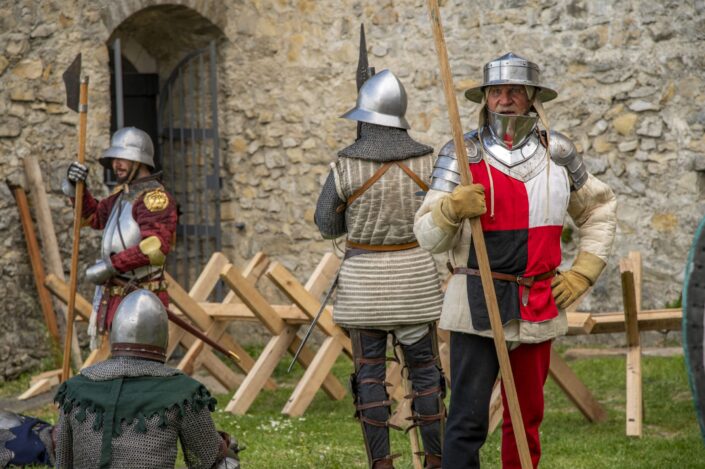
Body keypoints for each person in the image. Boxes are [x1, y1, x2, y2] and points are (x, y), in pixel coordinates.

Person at [413, 53, 617, 468]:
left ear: (532, 98)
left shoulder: (557, 152)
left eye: (515, 92)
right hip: (476, 300)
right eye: (496, 92)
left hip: (536, 301)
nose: (505, 100)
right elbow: (427, 237)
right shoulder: (462, 154)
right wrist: (450, 208)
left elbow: (599, 209)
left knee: (526, 419)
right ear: (485, 100)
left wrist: (584, 271)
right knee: (467, 420)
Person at [315, 68, 446, 469]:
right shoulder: (430, 162)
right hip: (415, 282)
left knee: (370, 377)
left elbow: (327, 226)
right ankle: (437, 460)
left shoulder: (345, 167)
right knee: (425, 375)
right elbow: (444, 216)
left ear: (365, 117)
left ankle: (382, 464)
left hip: (364, 286)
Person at [53, 289, 240, 469]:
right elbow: (208, 461)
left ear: (116, 333)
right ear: (162, 338)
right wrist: (227, 448)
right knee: (226, 463)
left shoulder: (74, 390)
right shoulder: (183, 392)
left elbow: (63, 461)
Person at [62, 127, 177, 345]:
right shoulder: (121, 195)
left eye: (124, 158)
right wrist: (76, 187)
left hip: (141, 298)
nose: (117, 164)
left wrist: (110, 266)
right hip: (115, 295)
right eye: (115, 158)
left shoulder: (155, 199)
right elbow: (92, 217)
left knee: (136, 364)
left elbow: (155, 248)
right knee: (115, 363)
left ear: (140, 160)